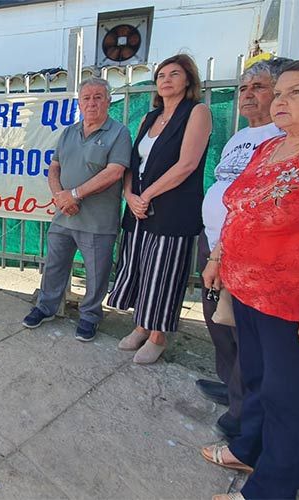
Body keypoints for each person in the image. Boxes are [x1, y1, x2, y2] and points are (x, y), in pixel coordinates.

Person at [202, 56, 299, 500]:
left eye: (297, 92)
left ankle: (269, 491)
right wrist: (219, 256)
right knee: (256, 381)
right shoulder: (273, 146)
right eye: (280, 91)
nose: (280, 100)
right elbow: (241, 208)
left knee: (289, 401)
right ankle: (249, 448)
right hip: (252, 295)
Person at [196, 58, 289, 441]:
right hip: (215, 241)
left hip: (245, 249)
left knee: (244, 329)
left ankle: (243, 411)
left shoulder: (281, 136)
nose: (248, 95)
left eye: (259, 87)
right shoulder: (239, 136)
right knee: (217, 320)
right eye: (243, 89)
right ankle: (229, 386)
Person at [106, 54, 212, 364]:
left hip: (173, 208)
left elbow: (188, 164)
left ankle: (158, 336)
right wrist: (129, 194)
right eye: (161, 75)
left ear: (188, 80)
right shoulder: (148, 118)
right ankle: (141, 326)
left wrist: (147, 195)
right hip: (138, 208)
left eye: (174, 74)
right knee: (140, 268)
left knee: (164, 273)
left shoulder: (197, 112)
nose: (166, 80)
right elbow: (132, 163)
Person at [22, 78, 133, 341]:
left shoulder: (119, 133)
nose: (91, 103)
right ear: (79, 103)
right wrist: (61, 198)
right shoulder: (69, 132)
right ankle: (46, 307)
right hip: (64, 216)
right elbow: (54, 167)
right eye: (86, 98)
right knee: (54, 266)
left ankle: (90, 316)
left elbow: (115, 172)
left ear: (108, 101)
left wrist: (74, 195)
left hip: (97, 221)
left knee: (97, 274)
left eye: (97, 97)